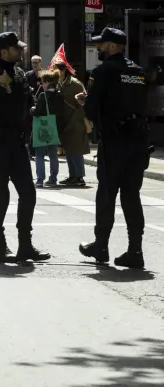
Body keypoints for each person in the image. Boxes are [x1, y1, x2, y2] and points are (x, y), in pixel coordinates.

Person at [78, 27, 149, 269]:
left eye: (101, 45)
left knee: (107, 194)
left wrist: (86, 102)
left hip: (115, 140)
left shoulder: (104, 71)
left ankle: (101, 245)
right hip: (138, 141)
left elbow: (90, 107)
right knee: (132, 196)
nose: (98, 48)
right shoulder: (137, 71)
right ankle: (135, 250)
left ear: (112, 46)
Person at [0, 32, 50, 264]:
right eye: (16, 48)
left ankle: (25, 245)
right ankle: (0, 246)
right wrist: (4, 89)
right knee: (0, 195)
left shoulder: (19, 74)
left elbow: (26, 104)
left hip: (17, 142)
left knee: (28, 193)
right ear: (3, 51)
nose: (21, 51)